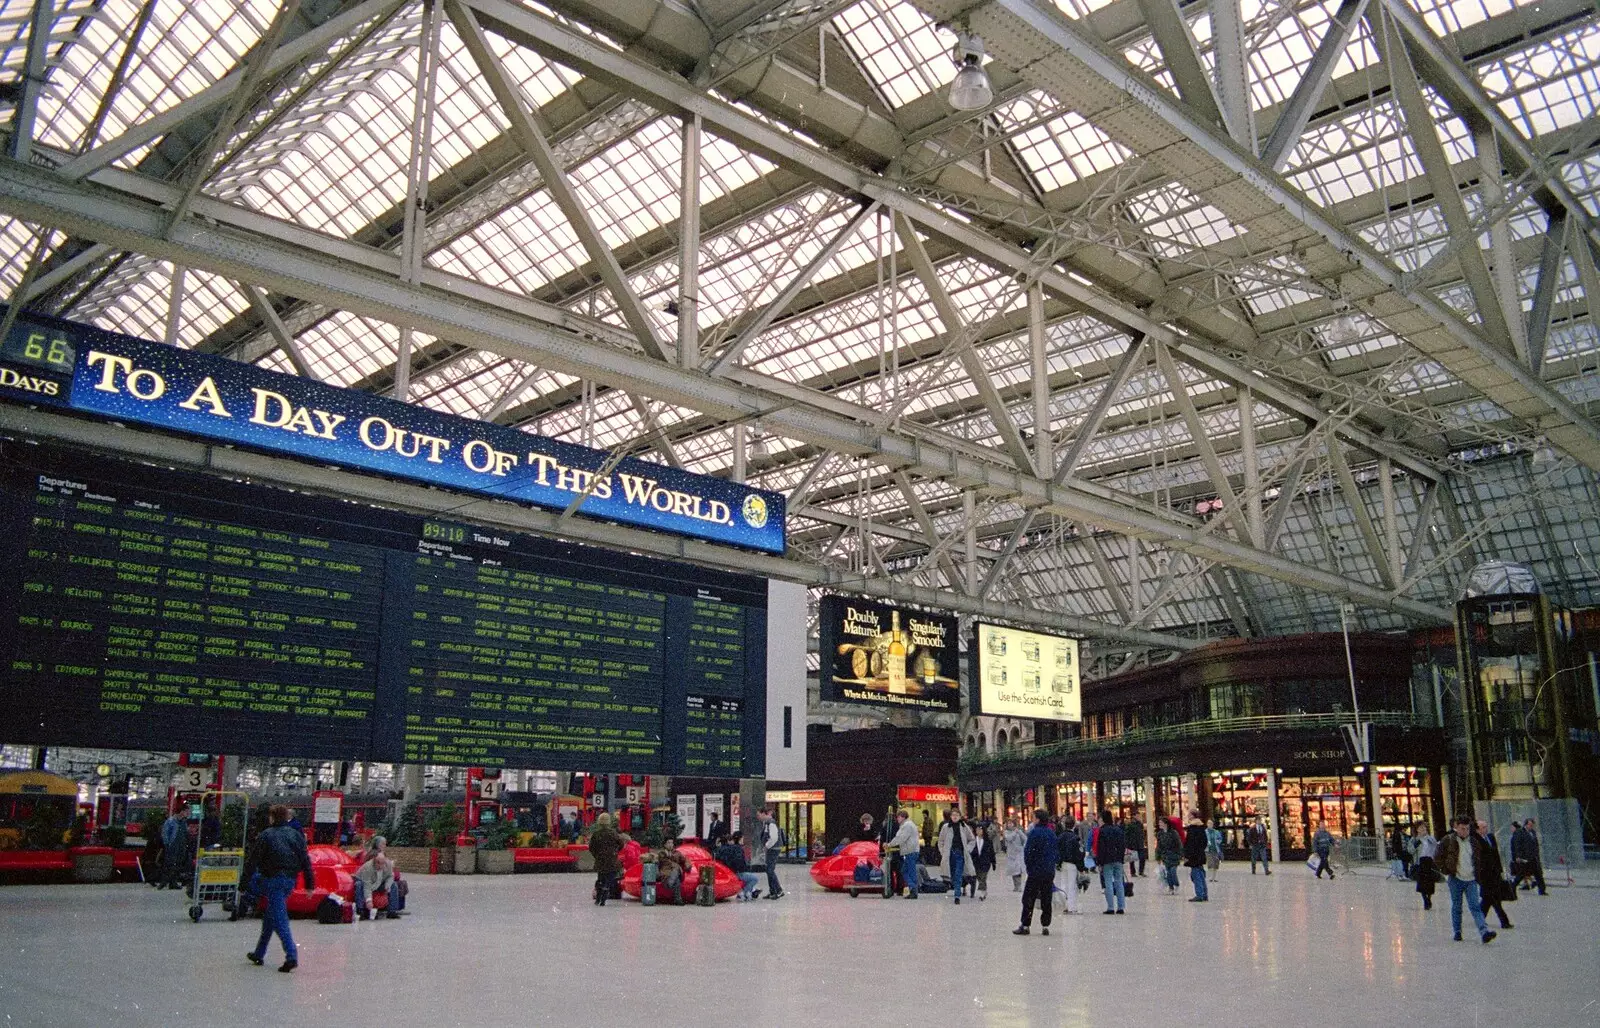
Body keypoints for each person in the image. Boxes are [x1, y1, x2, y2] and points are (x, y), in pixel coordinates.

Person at [245, 805, 315, 973]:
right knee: (271, 916)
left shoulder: (266, 835)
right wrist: (309, 884)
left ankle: (291, 955)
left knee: (280, 920)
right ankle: (259, 953)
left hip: (272, 880)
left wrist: (243, 884)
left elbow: (253, 861)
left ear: (272, 817)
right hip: (289, 880)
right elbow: (305, 860)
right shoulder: (296, 835)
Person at [1437, 814, 1496, 944]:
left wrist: (1478, 874)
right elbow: (1438, 856)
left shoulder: (1474, 842)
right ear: (1456, 828)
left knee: (1475, 906)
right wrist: (1446, 871)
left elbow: (1480, 857)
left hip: (1471, 879)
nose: (1465, 831)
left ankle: (1484, 931)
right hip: (1455, 878)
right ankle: (1457, 931)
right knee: (1457, 906)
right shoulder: (1448, 840)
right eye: (1462, 828)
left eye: (1467, 829)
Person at [1013, 809, 1058, 935]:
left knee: (1028, 898)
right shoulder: (1051, 833)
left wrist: (1029, 867)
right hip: (1048, 871)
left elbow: (1028, 852)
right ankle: (1045, 925)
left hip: (1036, 871)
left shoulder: (1034, 833)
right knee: (1046, 897)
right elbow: (1055, 851)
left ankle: (1026, 925)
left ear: (1037, 819)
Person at [1475, 820, 1513, 930]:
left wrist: (1500, 870)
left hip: (1495, 872)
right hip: (1485, 874)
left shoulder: (1491, 837)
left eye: (1486, 827)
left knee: (1488, 899)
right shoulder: (1476, 840)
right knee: (1494, 898)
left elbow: (1496, 855)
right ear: (1478, 829)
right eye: (1483, 827)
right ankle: (1504, 921)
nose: (1485, 829)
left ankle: (1480, 918)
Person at [352, 838, 396, 921]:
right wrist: (369, 900)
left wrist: (387, 885)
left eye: (382, 863)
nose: (380, 866)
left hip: (379, 880)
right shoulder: (368, 867)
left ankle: (392, 911)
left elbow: (391, 876)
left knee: (394, 885)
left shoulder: (388, 864)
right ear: (374, 861)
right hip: (364, 879)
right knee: (359, 885)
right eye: (378, 863)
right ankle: (360, 910)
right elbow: (367, 885)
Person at [937, 810, 975, 905]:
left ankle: (957, 895)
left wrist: (968, 849)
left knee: (958, 873)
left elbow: (971, 839)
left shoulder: (964, 826)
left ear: (960, 816)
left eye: (957, 815)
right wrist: (943, 852)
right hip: (950, 854)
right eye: (953, 815)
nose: (954, 817)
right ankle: (956, 889)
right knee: (952, 874)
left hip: (960, 853)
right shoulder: (946, 827)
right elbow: (940, 841)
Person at [1094, 809, 1127, 915]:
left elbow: (1101, 848)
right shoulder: (1118, 830)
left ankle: (1110, 907)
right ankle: (1121, 906)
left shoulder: (1102, 831)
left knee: (1108, 883)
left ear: (1102, 819)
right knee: (1119, 882)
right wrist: (1121, 858)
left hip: (1107, 860)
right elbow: (1122, 845)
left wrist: (1099, 863)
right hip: (1118, 859)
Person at [587, 812, 623, 906]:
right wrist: (614, 852)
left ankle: (598, 898)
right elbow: (621, 844)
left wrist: (597, 855)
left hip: (600, 860)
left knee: (600, 878)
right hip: (611, 860)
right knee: (609, 880)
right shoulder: (613, 833)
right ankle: (604, 898)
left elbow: (591, 847)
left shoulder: (596, 834)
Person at [715, 831, 762, 901]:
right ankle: (744, 892)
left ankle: (748, 891)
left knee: (747, 877)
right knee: (754, 878)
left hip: (729, 872)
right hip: (737, 872)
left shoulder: (721, 849)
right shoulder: (737, 849)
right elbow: (738, 863)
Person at [888, 809, 921, 899]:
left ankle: (913, 889)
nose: (897, 819)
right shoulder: (908, 824)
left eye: (898, 817)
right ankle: (913, 888)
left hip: (910, 851)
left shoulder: (906, 826)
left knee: (909, 871)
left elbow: (901, 838)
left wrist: (889, 844)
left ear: (902, 817)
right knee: (906, 870)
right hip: (912, 850)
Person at [1510, 818, 1547, 895]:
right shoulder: (1520, 832)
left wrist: (1536, 854)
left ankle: (1542, 890)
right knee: (1521, 874)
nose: (1531, 826)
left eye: (1532, 825)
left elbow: (1535, 844)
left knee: (1538, 874)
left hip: (1533, 858)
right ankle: (1512, 887)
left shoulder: (1533, 832)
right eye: (1529, 825)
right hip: (1525, 858)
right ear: (1526, 824)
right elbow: (1518, 845)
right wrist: (1518, 856)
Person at [755, 809, 785, 900]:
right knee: (769, 870)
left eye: (759, 814)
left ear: (765, 814)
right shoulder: (767, 823)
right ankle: (772, 891)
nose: (758, 817)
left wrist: (767, 846)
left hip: (773, 849)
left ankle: (779, 890)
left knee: (770, 870)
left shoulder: (771, 823)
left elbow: (774, 837)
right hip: (771, 849)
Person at [1056, 815, 1083, 915]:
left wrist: (1058, 863)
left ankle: (1064, 906)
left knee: (1064, 884)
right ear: (1074, 825)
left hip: (1063, 863)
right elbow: (1079, 854)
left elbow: (1057, 850)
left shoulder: (1060, 837)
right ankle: (1072, 907)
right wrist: (1081, 867)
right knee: (1072, 885)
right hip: (1073, 864)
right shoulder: (1075, 838)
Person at [160, 806, 188, 892]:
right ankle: (164, 881)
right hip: (173, 845)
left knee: (178, 863)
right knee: (170, 863)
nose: (187, 813)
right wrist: (167, 844)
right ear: (181, 811)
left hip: (181, 845)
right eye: (186, 811)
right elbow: (165, 833)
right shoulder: (171, 821)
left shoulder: (183, 822)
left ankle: (173, 882)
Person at [1183, 813, 1209, 902]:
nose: (1188, 816)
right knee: (1201, 874)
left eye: (1189, 815)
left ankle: (1199, 894)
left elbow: (1189, 843)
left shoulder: (1192, 828)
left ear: (1192, 816)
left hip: (1193, 856)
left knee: (1196, 874)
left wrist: (1187, 855)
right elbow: (1205, 841)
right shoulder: (1202, 828)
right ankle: (1204, 894)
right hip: (1200, 854)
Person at [1414, 826, 1440, 910]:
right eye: (1420, 830)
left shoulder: (1430, 839)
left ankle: (1429, 897)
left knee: (1429, 882)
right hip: (1420, 862)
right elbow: (1411, 849)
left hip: (1429, 861)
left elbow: (1436, 847)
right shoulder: (1416, 840)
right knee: (1421, 883)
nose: (1422, 831)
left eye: (1424, 829)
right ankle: (1425, 899)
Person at [1156, 818, 1183, 894]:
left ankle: (1176, 884)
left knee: (1173, 872)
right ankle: (1171, 887)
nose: (1159, 824)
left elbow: (1179, 844)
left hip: (1174, 855)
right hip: (1165, 855)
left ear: (1165, 823)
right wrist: (1158, 856)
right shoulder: (1160, 834)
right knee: (1168, 873)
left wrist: (1180, 854)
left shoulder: (1173, 833)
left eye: (1161, 822)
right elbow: (1159, 846)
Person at [970, 824, 996, 900]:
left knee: (983, 877)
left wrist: (993, 862)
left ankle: (982, 893)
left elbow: (992, 852)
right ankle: (984, 890)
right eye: (977, 830)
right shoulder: (973, 840)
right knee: (979, 877)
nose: (978, 831)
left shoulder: (988, 841)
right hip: (976, 862)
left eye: (980, 830)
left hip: (985, 862)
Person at [1002, 818, 1026, 892]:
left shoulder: (1018, 831)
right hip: (1011, 854)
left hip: (1019, 853)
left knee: (1018, 870)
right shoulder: (1006, 832)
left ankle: (1019, 886)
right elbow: (1009, 838)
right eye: (1008, 823)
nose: (1010, 824)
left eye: (1011, 823)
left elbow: (1025, 838)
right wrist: (1015, 832)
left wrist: (1019, 832)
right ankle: (1015, 885)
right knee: (1013, 871)